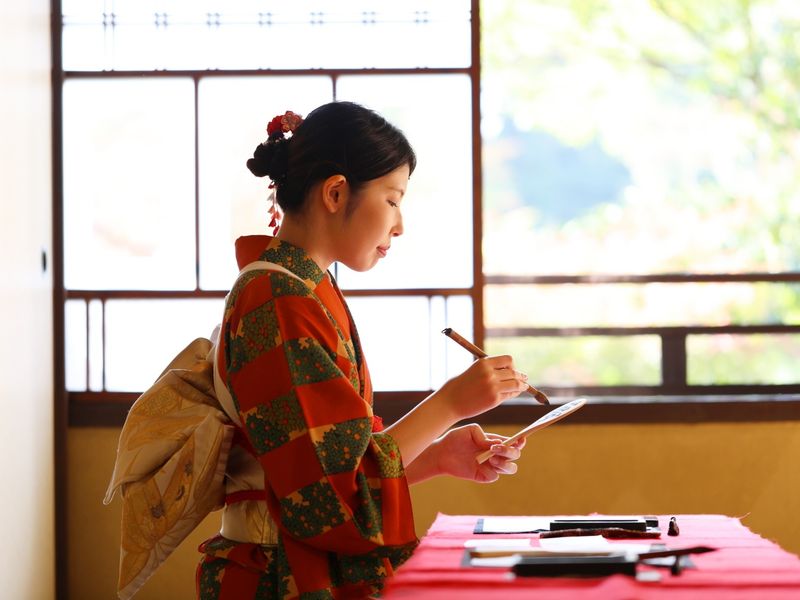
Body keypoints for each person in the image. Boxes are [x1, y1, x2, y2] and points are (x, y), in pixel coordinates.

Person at [197, 101, 529, 599]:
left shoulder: (301, 291)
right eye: (393, 199)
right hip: (280, 576)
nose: (400, 224)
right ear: (335, 193)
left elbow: (334, 471)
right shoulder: (280, 301)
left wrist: (438, 456)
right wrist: (450, 404)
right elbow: (329, 498)